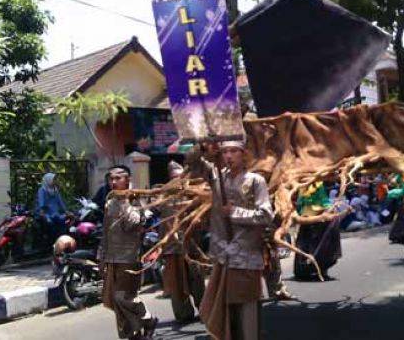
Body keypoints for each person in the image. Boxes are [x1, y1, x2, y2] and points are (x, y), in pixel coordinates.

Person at [187, 140, 273, 340]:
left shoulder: (255, 180)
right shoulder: (216, 177)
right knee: (224, 310)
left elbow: (266, 215)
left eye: (234, 151)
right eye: (225, 152)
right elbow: (192, 161)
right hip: (223, 255)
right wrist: (202, 147)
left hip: (246, 255)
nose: (229, 156)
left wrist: (235, 212)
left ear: (244, 154)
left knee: (246, 308)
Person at [99, 166, 157, 340]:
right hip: (112, 257)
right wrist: (101, 257)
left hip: (129, 257)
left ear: (128, 179)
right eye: (111, 179)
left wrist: (125, 202)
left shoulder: (136, 199)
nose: (114, 182)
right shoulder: (109, 202)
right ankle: (133, 332)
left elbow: (133, 224)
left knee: (123, 297)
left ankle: (147, 320)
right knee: (114, 299)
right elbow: (106, 232)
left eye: (118, 178)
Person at [160, 160, 206, 323]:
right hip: (172, 247)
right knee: (176, 283)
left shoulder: (194, 194)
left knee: (197, 278)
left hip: (192, 244)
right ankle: (183, 313)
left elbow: (203, 216)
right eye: (174, 177)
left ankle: (205, 309)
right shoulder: (164, 195)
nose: (177, 180)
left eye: (180, 177)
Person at [293, 182, 343, 281]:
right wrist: (329, 208)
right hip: (317, 218)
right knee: (322, 244)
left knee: (307, 245)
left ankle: (307, 271)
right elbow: (322, 200)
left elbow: (300, 203)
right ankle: (320, 270)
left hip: (307, 217)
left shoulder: (303, 184)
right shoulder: (315, 184)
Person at [37, 173, 68, 242]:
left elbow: (60, 202)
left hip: (56, 213)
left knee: (63, 223)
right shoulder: (42, 190)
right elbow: (41, 202)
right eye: (53, 179)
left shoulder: (55, 190)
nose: (55, 181)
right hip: (47, 213)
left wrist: (66, 211)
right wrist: (42, 212)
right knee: (51, 225)